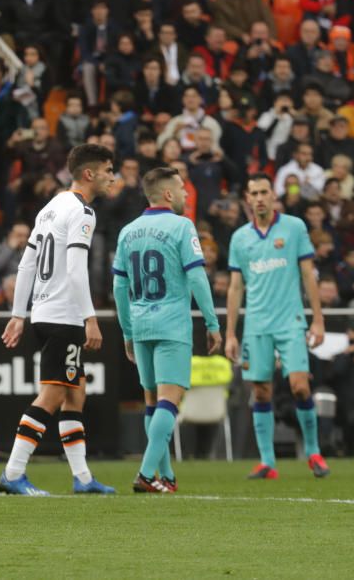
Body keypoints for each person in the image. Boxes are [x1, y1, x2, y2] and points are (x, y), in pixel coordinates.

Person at [0, 144, 117, 496]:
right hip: (65, 316)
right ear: (89, 173)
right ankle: (13, 472)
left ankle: (82, 479)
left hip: (42, 311)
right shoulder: (82, 211)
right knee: (51, 395)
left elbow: (27, 265)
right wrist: (90, 319)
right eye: (109, 170)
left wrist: (20, 314)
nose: (113, 177)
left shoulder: (50, 207)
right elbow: (77, 269)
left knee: (74, 394)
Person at [112, 167, 222, 493]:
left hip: (141, 323)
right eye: (183, 190)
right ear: (169, 194)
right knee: (170, 401)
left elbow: (119, 288)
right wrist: (212, 322)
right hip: (172, 323)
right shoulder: (182, 226)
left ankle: (167, 476)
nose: (187, 195)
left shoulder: (127, 231)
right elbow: (198, 277)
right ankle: (146, 474)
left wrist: (127, 332)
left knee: (152, 402)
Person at [225, 174, 330, 480]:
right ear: (247, 199)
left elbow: (309, 275)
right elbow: (235, 288)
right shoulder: (240, 238)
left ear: (273, 196)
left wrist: (318, 319)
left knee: (300, 386)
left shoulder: (294, 227)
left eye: (264, 192)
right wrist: (231, 333)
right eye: (254, 193)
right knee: (260, 392)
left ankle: (313, 452)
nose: (259, 198)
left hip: (291, 321)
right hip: (257, 324)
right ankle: (268, 462)